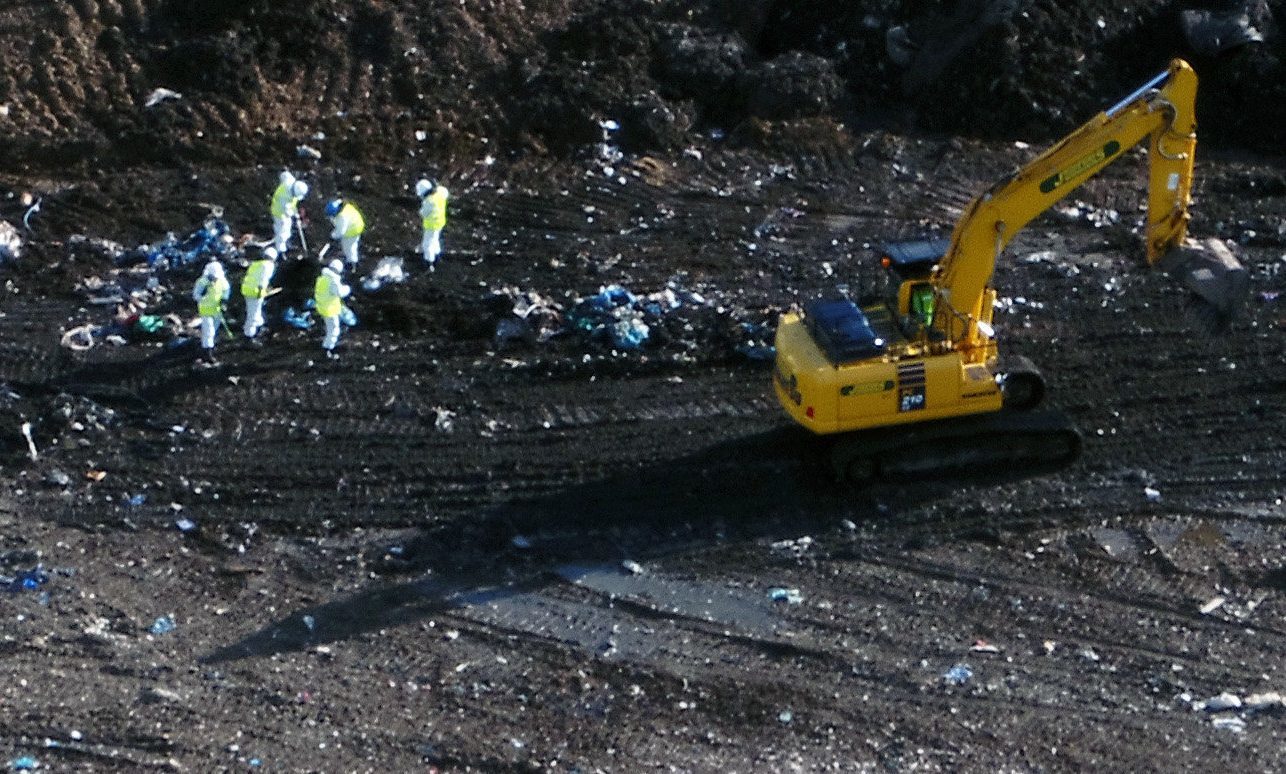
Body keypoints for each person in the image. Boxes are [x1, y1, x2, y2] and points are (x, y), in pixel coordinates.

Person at [192, 260, 230, 365]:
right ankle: (207, 353)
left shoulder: (222, 281)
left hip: (217, 310)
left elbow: (226, 290)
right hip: (206, 310)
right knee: (209, 331)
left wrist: (224, 302)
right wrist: (202, 295)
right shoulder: (202, 282)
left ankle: (209, 346)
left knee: (213, 330)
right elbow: (195, 296)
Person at [241, 246, 279, 343]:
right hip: (255, 292)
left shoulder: (256, 264)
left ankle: (258, 328)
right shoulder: (268, 266)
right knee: (252, 315)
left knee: (255, 312)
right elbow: (263, 280)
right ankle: (249, 337)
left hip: (247, 290)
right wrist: (261, 290)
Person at [314, 258, 350, 358]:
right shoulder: (333, 280)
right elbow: (339, 292)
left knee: (329, 327)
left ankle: (329, 342)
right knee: (334, 329)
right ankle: (328, 349)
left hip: (322, 307)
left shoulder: (322, 278)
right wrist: (348, 288)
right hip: (330, 310)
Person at [270, 172, 309, 255]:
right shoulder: (284, 198)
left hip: (284, 209)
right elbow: (288, 212)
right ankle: (280, 250)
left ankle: (285, 243)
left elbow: (284, 174)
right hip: (280, 213)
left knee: (287, 228)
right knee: (283, 231)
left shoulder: (290, 180)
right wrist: (296, 215)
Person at [415, 178, 449, 269]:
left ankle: (429, 263)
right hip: (440, 222)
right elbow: (444, 191)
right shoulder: (439, 194)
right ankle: (437, 257)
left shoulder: (428, 201)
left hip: (431, 225)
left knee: (427, 244)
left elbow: (423, 213)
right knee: (435, 241)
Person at [326, 198, 365, 268]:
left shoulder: (342, 217)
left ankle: (352, 264)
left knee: (349, 247)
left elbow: (340, 232)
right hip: (355, 223)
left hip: (352, 230)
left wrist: (332, 236)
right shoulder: (343, 205)